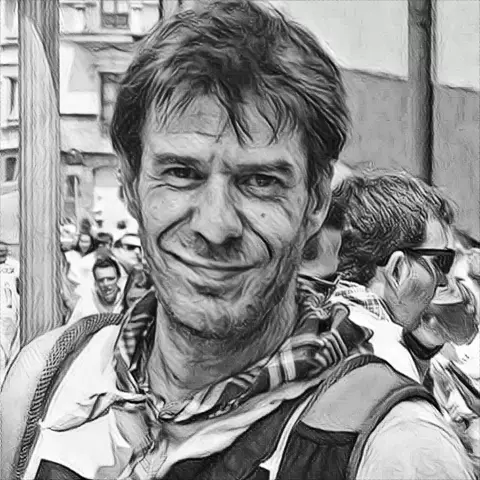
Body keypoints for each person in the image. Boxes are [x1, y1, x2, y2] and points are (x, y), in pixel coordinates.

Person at [0, 2, 475, 479]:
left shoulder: (395, 450)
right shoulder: (50, 380)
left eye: (260, 181)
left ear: (315, 200)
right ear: (130, 185)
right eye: (181, 173)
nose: (215, 225)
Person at [329, 172, 478, 382]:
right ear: (397, 270)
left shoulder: (308, 324)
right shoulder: (387, 361)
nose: (444, 281)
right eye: (441, 262)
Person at [66, 255, 123, 325]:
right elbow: (71, 328)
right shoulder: (86, 302)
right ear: (95, 282)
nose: (106, 284)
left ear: (118, 278)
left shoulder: (126, 299)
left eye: (110, 279)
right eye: (100, 280)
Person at [0, 240, 20, 387]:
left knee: (11, 352)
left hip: (11, 314)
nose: (2, 253)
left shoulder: (15, 265)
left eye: (4, 251)